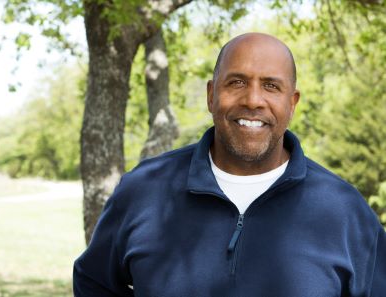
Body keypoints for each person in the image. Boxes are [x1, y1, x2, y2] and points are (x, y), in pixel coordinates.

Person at [73, 33, 386, 297]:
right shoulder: (143, 190)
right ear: (211, 95)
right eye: (236, 82)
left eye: (271, 86)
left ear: (292, 103)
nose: (253, 100)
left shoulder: (344, 210)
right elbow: (93, 281)